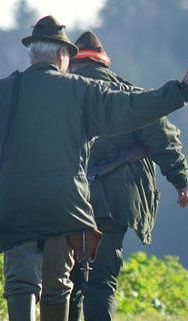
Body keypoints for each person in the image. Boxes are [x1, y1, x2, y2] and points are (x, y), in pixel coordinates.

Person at [0, 15, 188, 321]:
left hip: (13, 204)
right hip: (66, 207)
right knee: (59, 286)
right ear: (62, 55)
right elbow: (132, 109)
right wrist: (180, 91)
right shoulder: (81, 91)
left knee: (21, 283)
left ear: (32, 54)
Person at [68, 31, 188, 321]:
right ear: (104, 63)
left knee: (66, 282)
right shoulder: (126, 94)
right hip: (113, 204)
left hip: (66, 202)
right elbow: (163, 138)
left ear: (71, 62)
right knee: (101, 282)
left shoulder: (60, 95)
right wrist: (181, 182)